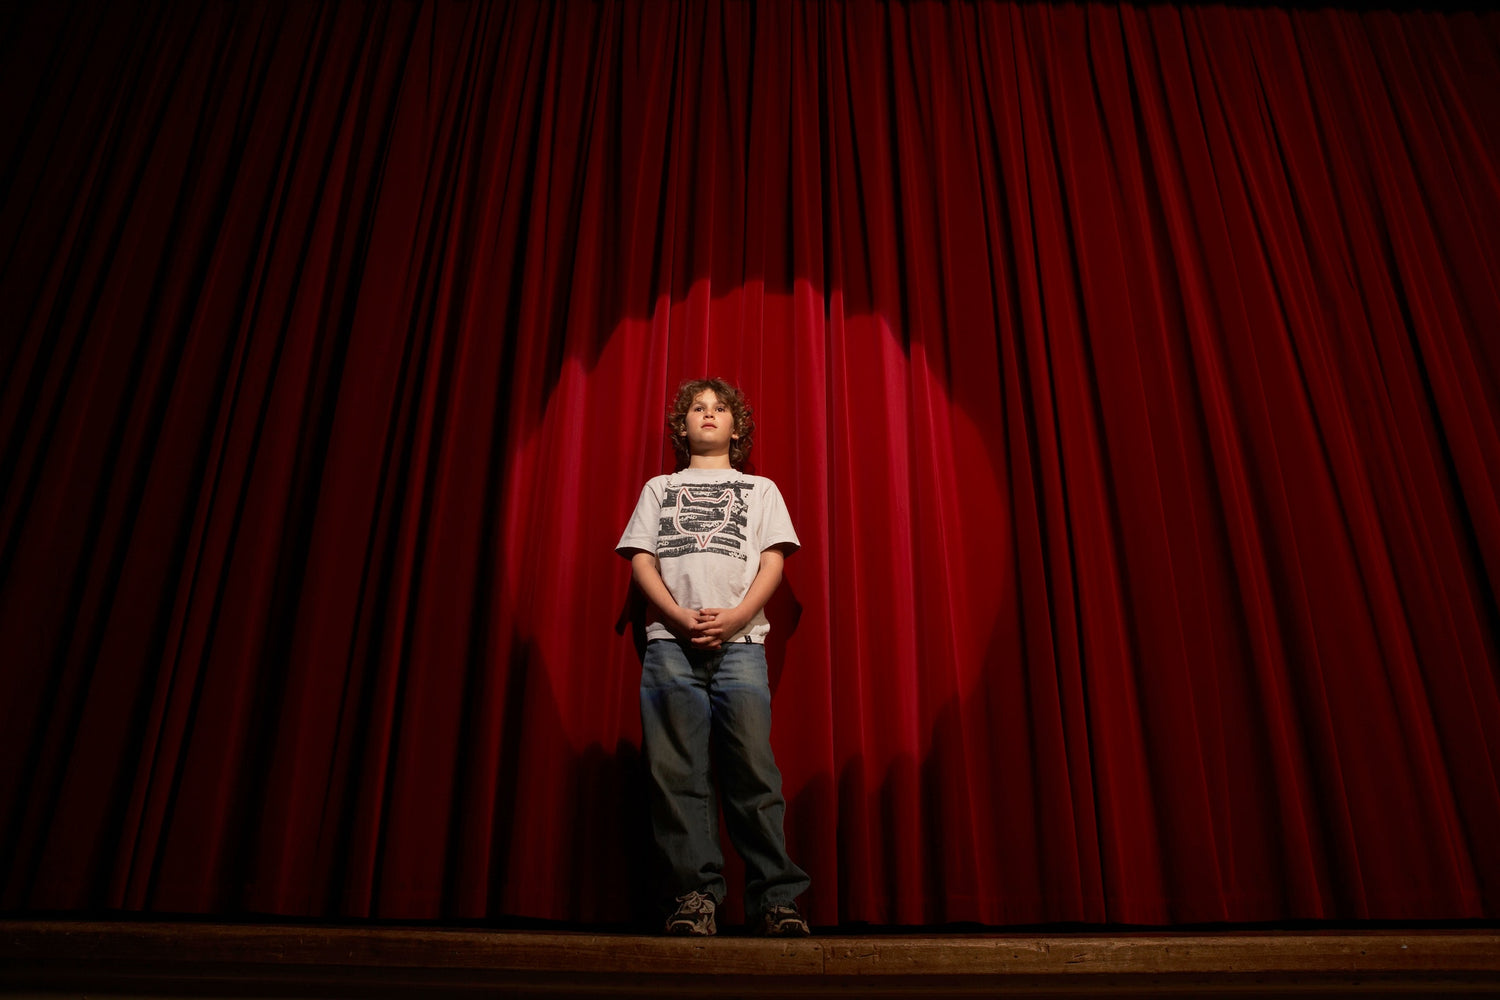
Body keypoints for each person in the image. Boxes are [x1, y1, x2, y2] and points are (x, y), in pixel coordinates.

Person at [616, 377, 811, 937]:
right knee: (677, 774)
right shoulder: (659, 488)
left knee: (753, 769)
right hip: (669, 646)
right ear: (682, 427)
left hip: (742, 646)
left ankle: (777, 901)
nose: (708, 415)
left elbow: (774, 562)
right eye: (697, 409)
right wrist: (677, 618)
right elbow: (641, 561)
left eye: (719, 409)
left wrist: (737, 617)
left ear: (736, 426)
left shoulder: (761, 490)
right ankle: (695, 898)